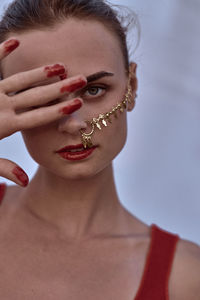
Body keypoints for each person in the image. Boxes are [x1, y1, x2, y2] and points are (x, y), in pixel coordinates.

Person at [0, 0, 199, 299]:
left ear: (131, 85)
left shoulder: (185, 277)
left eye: (94, 90)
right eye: (41, 97)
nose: (72, 124)